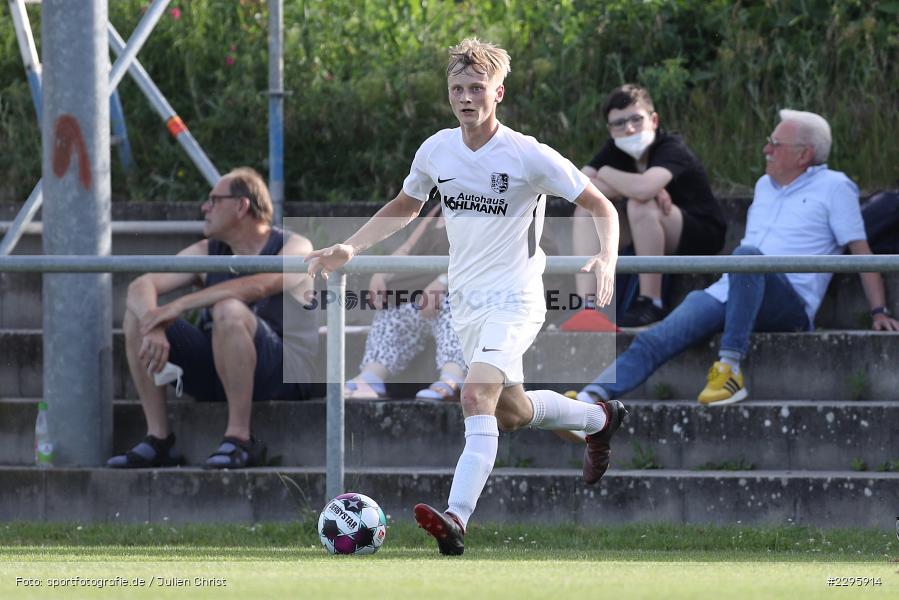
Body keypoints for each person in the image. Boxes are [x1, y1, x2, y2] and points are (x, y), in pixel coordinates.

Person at [307, 38, 625, 556]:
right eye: (458, 88)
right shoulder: (437, 149)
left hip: (516, 299)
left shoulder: (528, 154)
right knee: (512, 412)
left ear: (498, 92)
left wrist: (606, 256)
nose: (466, 97)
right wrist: (350, 246)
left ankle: (456, 518)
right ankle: (598, 419)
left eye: (477, 87)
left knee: (474, 395)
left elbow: (601, 205)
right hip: (467, 306)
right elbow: (405, 205)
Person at [574, 109, 899, 408]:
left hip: (790, 303)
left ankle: (729, 368)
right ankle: (591, 398)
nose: (766, 150)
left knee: (746, 259)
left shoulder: (835, 187)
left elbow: (860, 250)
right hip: (731, 290)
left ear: (804, 155)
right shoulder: (764, 185)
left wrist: (878, 310)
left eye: (775, 144)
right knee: (660, 335)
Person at [107, 167, 319, 469]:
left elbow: (259, 285)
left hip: (284, 373)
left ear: (241, 205)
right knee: (135, 316)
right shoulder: (209, 250)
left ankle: (239, 438)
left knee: (228, 308)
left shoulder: (296, 246)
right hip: (220, 367)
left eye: (213, 200)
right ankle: (159, 440)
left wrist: (178, 306)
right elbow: (141, 285)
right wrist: (152, 323)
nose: (204, 208)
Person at [567, 84, 726, 329]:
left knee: (641, 204)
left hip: (699, 233)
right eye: (619, 124)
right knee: (587, 210)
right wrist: (635, 185)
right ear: (610, 130)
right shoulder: (615, 149)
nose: (628, 128)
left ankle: (652, 301)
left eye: (636, 119)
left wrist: (609, 174)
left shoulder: (671, 147)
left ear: (653, 120)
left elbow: (642, 191)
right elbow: (578, 186)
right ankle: (587, 308)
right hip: (648, 228)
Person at [345, 205, 467, 401]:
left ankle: (453, 378)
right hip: (417, 296)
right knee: (391, 310)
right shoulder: (437, 211)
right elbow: (407, 249)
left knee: (454, 308)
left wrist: (443, 280)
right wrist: (381, 271)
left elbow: (478, 255)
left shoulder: (479, 211)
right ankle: (371, 377)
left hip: (453, 294)